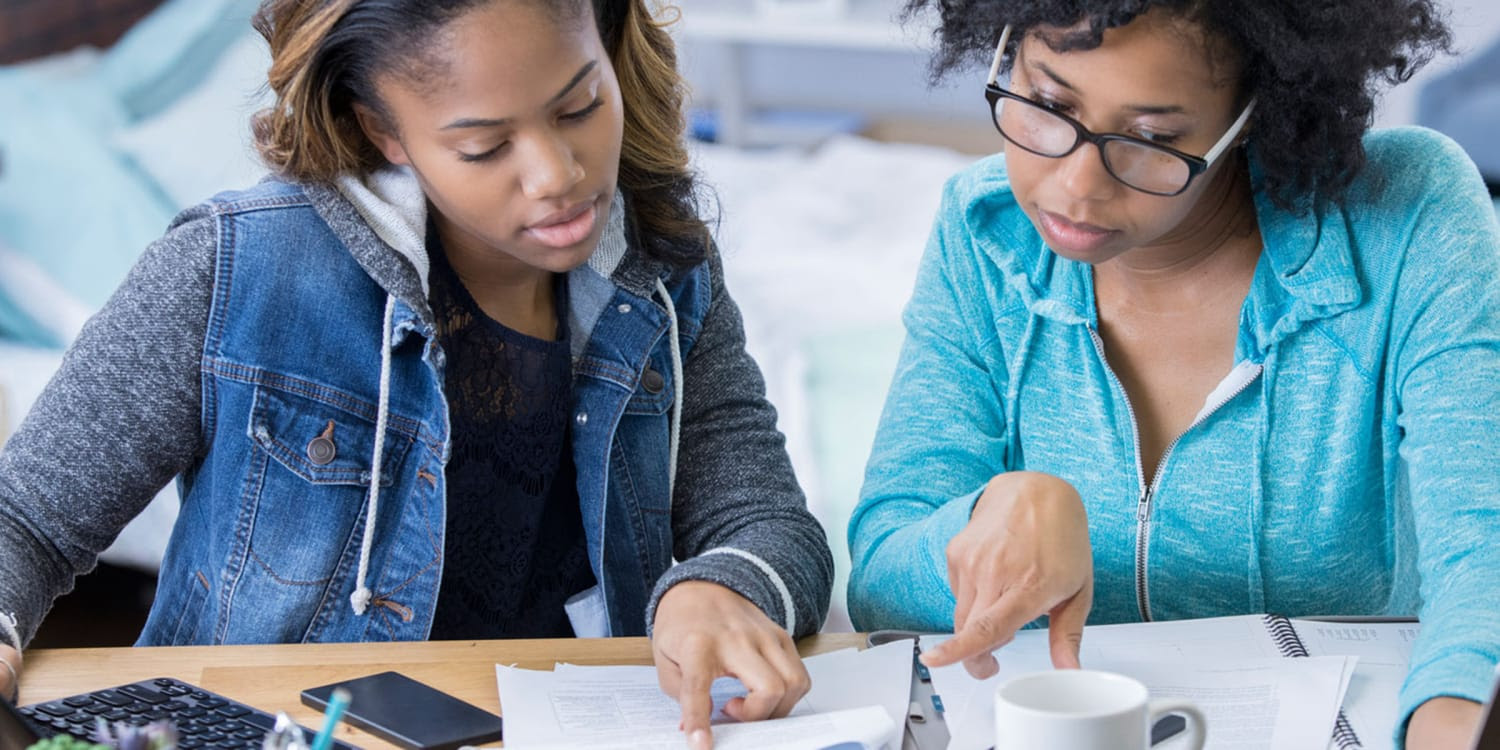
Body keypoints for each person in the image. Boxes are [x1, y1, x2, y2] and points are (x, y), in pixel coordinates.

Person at [0, 1, 833, 746]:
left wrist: (723, 586)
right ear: (381, 132)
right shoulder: (234, 270)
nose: (558, 176)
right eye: (484, 145)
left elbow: (768, 522)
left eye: (579, 105)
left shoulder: (662, 276)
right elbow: (26, 517)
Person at [846, 1, 1499, 747]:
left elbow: (1484, 549)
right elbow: (878, 579)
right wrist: (981, 522)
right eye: (1049, 104)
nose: (1075, 187)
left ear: (1253, 112)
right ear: (1002, 54)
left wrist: (1456, 718)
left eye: (1152, 138)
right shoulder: (984, 231)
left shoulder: (1407, 212)